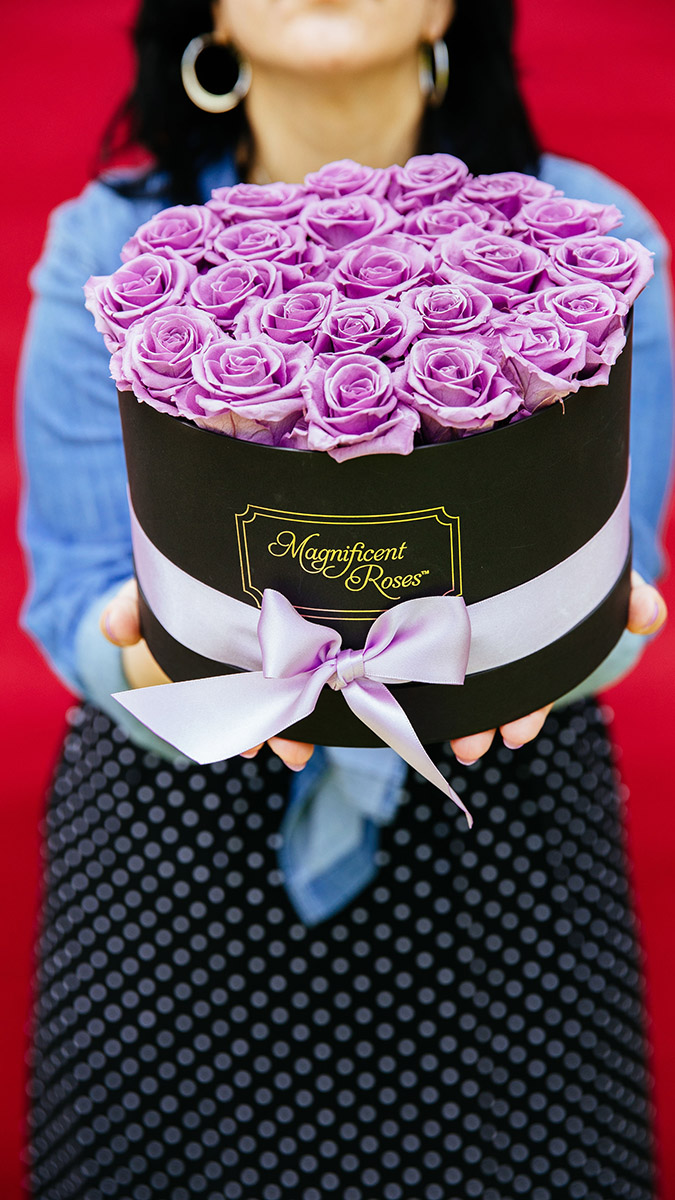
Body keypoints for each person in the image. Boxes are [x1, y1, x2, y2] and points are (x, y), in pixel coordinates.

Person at [18, 1, 673, 1197]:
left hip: (502, 867)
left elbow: (608, 587)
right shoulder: (104, 248)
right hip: (177, 874)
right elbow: (72, 595)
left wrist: (578, 645)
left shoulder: (597, 244)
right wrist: (162, 658)